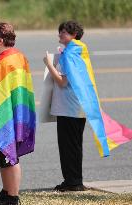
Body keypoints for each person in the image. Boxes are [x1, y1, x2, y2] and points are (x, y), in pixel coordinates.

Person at [0, 22, 36, 205]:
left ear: (0, 39)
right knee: (2, 154)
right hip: (17, 111)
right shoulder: (18, 56)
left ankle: (13, 196)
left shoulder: (6, 60)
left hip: (7, 112)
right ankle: (7, 191)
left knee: (9, 155)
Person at [43, 20, 88, 192]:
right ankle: (74, 180)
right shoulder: (76, 51)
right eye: (60, 31)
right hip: (74, 107)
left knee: (69, 147)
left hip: (70, 109)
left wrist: (48, 64)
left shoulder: (70, 54)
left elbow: (62, 82)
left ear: (74, 35)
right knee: (73, 146)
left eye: (64, 32)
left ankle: (73, 182)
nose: (60, 34)